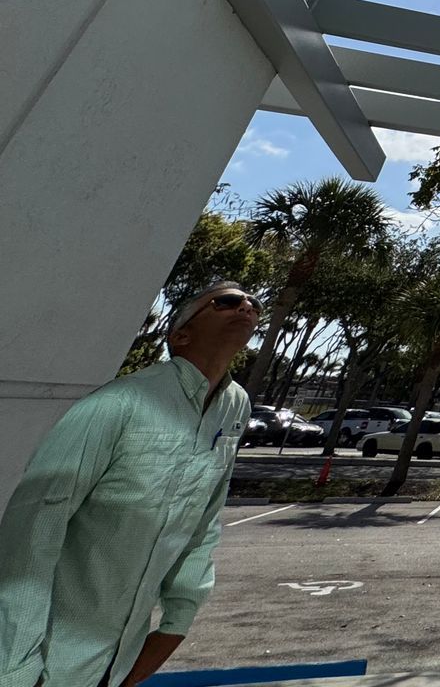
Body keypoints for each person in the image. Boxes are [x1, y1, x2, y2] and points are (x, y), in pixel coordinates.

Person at [0, 282, 259, 687]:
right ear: (181, 334)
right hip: (46, 662)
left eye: (253, 303)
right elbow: (31, 532)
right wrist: (15, 667)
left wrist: (177, 621)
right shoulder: (119, 403)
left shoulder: (235, 407)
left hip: (121, 660)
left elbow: (204, 522)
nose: (246, 306)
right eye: (226, 301)